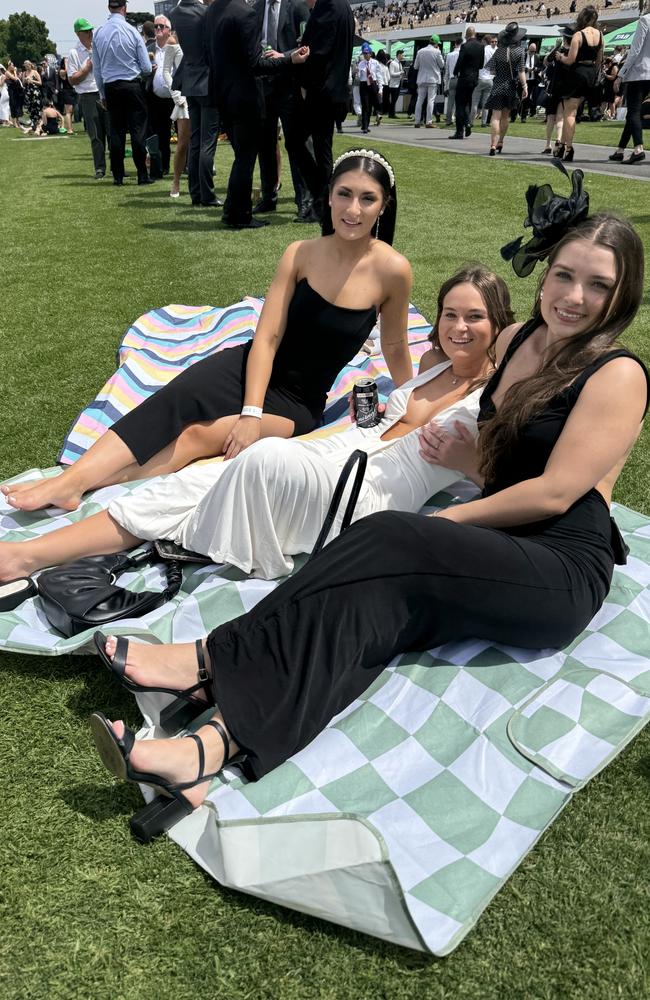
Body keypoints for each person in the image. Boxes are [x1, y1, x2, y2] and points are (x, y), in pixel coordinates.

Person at [88, 206, 649, 831]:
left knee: (388, 538)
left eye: (599, 284)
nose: (575, 297)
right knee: (367, 611)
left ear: (623, 295)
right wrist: (471, 461)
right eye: (565, 275)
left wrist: (452, 521)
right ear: (543, 273)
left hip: (558, 565)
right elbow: (502, 457)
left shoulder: (616, 373)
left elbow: (551, 493)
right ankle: (202, 752)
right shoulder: (519, 340)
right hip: (497, 544)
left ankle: (207, 659)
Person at [0, 265, 512, 584]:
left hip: (377, 491)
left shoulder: (498, 396)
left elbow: (500, 481)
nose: (457, 328)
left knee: (258, 461)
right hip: (342, 449)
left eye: (474, 318)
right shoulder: (432, 366)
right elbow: (386, 399)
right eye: (449, 315)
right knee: (200, 476)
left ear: (500, 324)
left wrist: (463, 461)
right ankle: (27, 556)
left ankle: (42, 552)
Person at [3, 151, 413, 514]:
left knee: (202, 436)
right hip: (251, 362)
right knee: (171, 400)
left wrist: (413, 395)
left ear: (384, 205)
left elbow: (393, 344)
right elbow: (267, 337)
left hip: (299, 403)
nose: (353, 209)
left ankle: (79, 484)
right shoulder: (301, 253)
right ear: (328, 196)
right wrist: (251, 411)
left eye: (367, 198)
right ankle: (69, 481)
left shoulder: (393, 271)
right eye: (344, 194)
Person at [204, 0, 310, 230]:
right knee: (246, 158)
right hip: (246, 97)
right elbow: (255, 64)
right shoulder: (246, 13)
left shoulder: (213, 10)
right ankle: (239, 214)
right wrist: (289, 59)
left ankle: (233, 209)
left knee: (244, 156)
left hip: (224, 94)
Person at [252, 0, 323, 221]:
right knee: (265, 144)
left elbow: (309, 42)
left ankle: (306, 201)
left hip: (289, 85)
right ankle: (268, 196)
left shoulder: (297, 7)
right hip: (263, 84)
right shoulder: (255, 9)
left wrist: (284, 56)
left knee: (297, 144)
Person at [296, 0, 355, 204]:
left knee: (302, 144)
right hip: (333, 88)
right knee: (321, 147)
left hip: (321, 90)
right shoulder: (343, 6)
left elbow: (318, 53)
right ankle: (323, 196)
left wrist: (303, 81)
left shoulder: (328, 6)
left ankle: (322, 196)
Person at [92, 0, 154, 186]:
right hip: (132, 84)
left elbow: (97, 69)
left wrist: (102, 93)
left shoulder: (99, 33)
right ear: (125, 8)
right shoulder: (132, 31)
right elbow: (145, 67)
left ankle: (118, 175)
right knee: (138, 130)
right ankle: (142, 174)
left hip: (111, 86)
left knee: (116, 131)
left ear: (109, 7)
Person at [170, 0, 221, 209]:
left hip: (190, 79)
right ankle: (207, 194)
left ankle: (196, 192)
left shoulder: (175, 13)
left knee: (195, 140)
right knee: (207, 142)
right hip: (207, 80)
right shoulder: (206, 12)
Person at [554, 5, 603, 163]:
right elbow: (599, 60)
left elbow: (571, 60)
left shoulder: (578, 35)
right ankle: (562, 145)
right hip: (591, 75)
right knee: (576, 110)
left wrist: (561, 57)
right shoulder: (600, 35)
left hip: (577, 73)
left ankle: (568, 147)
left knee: (570, 113)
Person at [67, 18, 110, 179]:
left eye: (91, 30)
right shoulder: (74, 53)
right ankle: (100, 168)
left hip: (104, 91)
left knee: (112, 132)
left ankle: (116, 166)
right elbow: (72, 79)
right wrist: (87, 67)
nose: (90, 33)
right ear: (78, 34)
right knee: (96, 134)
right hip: (88, 96)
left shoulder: (98, 47)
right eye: (86, 31)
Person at [609, 3, 650, 165]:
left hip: (639, 73)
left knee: (633, 112)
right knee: (632, 115)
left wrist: (621, 73)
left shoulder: (645, 20)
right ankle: (620, 150)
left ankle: (638, 148)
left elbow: (635, 50)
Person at [484, 22, 527, 155]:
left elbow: (492, 70)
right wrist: (525, 86)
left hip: (498, 85)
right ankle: (501, 141)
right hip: (510, 87)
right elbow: (521, 71)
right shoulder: (520, 51)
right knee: (505, 117)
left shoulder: (498, 51)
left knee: (495, 117)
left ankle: (492, 145)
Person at [147, 14, 175, 178]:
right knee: (160, 134)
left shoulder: (176, 47)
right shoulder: (148, 49)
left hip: (176, 97)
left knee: (184, 132)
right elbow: (140, 72)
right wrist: (147, 71)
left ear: (169, 30)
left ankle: (186, 165)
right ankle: (161, 166)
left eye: (161, 26)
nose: (157, 29)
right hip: (156, 98)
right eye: (155, 26)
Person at [163, 33, 189, 198]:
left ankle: (200, 182)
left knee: (202, 143)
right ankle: (176, 181)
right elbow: (166, 71)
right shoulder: (173, 40)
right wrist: (176, 94)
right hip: (183, 96)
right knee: (183, 143)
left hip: (201, 92)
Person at [540, 27, 571, 156]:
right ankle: (558, 139)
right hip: (565, 88)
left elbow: (546, 62)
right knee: (560, 117)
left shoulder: (560, 52)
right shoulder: (572, 53)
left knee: (551, 117)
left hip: (554, 88)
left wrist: (555, 48)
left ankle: (548, 144)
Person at [451, 26, 485, 139]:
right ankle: (468, 123)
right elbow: (481, 65)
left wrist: (455, 72)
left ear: (467, 34)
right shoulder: (481, 46)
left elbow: (460, 61)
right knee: (467, 103)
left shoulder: (465, 46)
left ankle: (460, 131)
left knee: (460, 104)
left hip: (464, 78)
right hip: (474, 78)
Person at [413, 35, 445, 128]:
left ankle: (417, 121)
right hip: (432, 78)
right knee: (431, 100)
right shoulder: (437, 51)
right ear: (435, 43)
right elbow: (442, 65)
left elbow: (416, 66)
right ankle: (428, 121)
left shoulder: (420, 51)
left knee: (420, 99)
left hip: (422, 78)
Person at [470, 35, 495, 126]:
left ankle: (471, 122)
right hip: (490, 79)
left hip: (480, 78)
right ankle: (484, 122)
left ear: (484, 41)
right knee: (486, 104)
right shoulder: (493, 51)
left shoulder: (481, 50)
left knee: (475, 102)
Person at [358, 44, 382, 134]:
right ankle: (365, 126)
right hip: (364, 85)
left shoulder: (375, 63)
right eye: (364, 53)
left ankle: (367, 124)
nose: (365, 55)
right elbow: (360, 77)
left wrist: (380, 88)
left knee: (371, 105)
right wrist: (357, 73)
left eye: (367, 53)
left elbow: (379, 76)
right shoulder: (360, 64)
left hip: (373, 84)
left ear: (370, 53)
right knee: (365, 106)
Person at [520, 41, 541, 122]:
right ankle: (514, 115)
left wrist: (536, 69)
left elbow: (540, 67)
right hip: (522, 80)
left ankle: (523, 116)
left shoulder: (536, 57)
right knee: (520, 97)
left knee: (527, 98)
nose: (532, 53)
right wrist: (526, 69)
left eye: (534, 51)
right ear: (528, 49)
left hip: (531, 80)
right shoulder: (523, 56)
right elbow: (519, 67)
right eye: (531, 51)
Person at [22, 61, 43, 133]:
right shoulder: (24, 73)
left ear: (31, 65)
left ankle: (39, 126)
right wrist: (25, 80)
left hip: (35, 93)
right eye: (25, 66)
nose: (27, 67)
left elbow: (40, 83)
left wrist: (32, 81)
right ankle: (33, 126)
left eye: (28, 65)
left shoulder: (35, 72)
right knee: (31, 110)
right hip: (28, 93)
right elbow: (23, 83)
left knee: (37, 109)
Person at [444, 39, 461, 126]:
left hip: (452, 79)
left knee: (450, 102)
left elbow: (446, 71)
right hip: (460, 79)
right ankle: (457, 119)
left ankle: (448, 120)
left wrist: (445, 86)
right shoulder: (462, 54)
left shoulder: (449, 55)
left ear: (455, 44)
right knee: (459, 102)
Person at [4, 62, 24, 128]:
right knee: (13, 105)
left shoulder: (12, 72)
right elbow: (15, 79)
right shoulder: (7, 72)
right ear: (9, 66)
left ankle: (18, 122)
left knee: (17, 105)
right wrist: (15, 72)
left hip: (15, 91)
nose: (13, 66)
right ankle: (14, 122)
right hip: (11, 91)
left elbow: (18, 79)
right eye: (12, 65)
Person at [387, 48, 404, 117]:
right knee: (393, 100)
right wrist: (400, 73)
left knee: (395, 99)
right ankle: (391, 113)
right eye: (402, 55)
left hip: (398, 83)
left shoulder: (400, 63)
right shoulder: (393, 63)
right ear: (399, 55)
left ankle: (392, 113)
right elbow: (391, 74)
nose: (403, 56)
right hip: (393, 84)